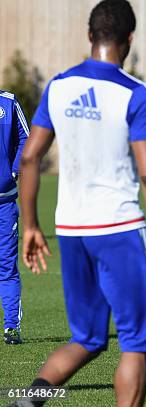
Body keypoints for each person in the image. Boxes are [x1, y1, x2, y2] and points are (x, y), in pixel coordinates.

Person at [15, 1, 146, 406]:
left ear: (90, 35)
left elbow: (28, 158)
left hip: (72, 231)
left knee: (87, 339)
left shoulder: (58, 86)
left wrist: (31, 225)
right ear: (130, 39)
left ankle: (25, 400)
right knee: (136, 343)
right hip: (120, 230)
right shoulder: (136, 93)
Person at [0, 90, 28, 345]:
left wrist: (15, 170)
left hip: (4, 202)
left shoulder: (8, 103)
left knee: (6, 267)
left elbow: (26, 137)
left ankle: (11, 327)